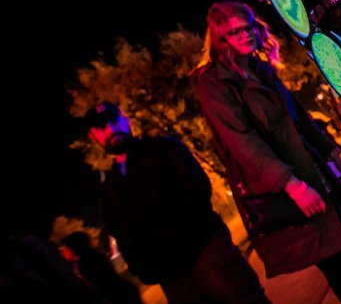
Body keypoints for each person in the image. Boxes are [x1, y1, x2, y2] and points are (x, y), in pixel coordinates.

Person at [192, 1, 341, 304]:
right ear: (221, 39)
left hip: (313, 173)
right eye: (235, 32)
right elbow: (243, 143)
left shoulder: (258, 68)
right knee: (338, 266)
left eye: (249, 26)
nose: (246, 34)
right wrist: (291, 185)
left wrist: (332, 154)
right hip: (289, 189)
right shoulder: (214, 83)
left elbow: (297, 117)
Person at [83, 102, 270, 304]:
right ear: (93, 136)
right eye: (101, 127)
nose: (111, 129)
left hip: (207, 253)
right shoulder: (111, 186)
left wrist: (178, 238)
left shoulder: (164, 148)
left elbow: (197, 190)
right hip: (171, 278)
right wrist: (141, 268)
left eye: (114, 120)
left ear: (125, 119)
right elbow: (120, 233)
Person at [60, 231, 141, 304]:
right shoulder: (95, 255)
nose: (63, 251)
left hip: (118, 295)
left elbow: (99, 285)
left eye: (66, 247)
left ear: (74, 247)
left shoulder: (85, 264)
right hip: (124, 290)